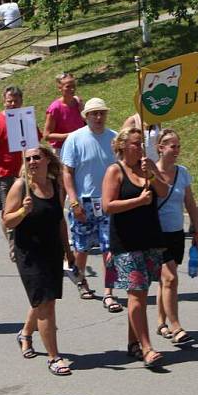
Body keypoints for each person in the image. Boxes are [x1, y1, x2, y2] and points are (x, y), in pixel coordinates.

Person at [102, 127, 169, 368]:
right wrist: (138, 201)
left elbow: (164, 191)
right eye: (135, 144)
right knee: (137, 293)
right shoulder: (115, 171)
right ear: (122, 147)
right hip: (126, 242)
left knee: (140, 292)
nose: (140, 148)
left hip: (150, 238)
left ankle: (132, 343)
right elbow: (108, 205)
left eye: (141, 143)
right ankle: (146, 347)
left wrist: (151, 173)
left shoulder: (146, 166)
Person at [3, 145, 72, 376]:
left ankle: (25, 334)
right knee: (45, 304)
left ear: (47, 160)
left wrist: (68, 250)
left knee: (45, 299)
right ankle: (54, 357)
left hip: (52, 251)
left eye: (36, 157)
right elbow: (7, 221)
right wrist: (22, 212)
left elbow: (60, 220)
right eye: (28, 158)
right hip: (30, 255)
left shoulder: (55, 185)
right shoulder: (20, 187)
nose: (32, 161)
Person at [61, 98, 118, 307]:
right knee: (81, 248)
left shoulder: (114, 138)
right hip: (83, 201)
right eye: (94, 114)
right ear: (86, 116)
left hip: (107, 202)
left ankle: (108, 291)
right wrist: (73, 201)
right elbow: (67, 172)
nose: (98, 117)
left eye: (102, 113)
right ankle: (81, 281)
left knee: (108, 247)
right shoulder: (75, 139)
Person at [154, 128, 198, 345]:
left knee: (165, 281)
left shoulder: (182, 172)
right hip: (156, 235)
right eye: (172, 146)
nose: (176, 150)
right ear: (160, 148)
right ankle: (176, 327)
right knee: (171, 279)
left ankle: (160, 323)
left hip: (176, 233)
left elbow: (190, 202)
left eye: (178, 146)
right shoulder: (150, 172)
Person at [0, 85, 31, 259]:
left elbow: (34, 143)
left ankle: (25, 243)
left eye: (16, 101)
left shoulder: (26, 119)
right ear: (4, 101)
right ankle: (13, 247)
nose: (12, 104)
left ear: (21, 102)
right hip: (4, 176)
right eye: (9, 101)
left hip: (25, 174)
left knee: (27, 209)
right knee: (7, 212)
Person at [44, 73, 84, 156]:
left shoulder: (78, 103)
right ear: (60, 88)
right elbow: (47, 135)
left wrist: (82, 111)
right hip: (62, 150)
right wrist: (70, 136)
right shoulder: (55, 108)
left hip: (80, 147)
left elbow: (87, 124)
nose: (72, 89)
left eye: (73, 86)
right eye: (68, 87)